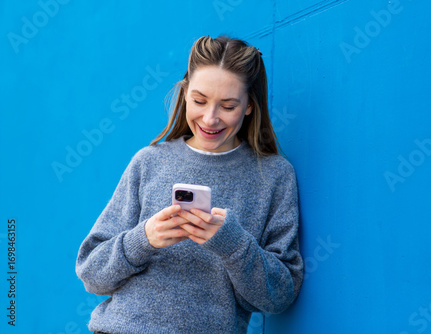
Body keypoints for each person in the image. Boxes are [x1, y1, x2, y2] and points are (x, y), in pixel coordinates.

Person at [76, 35, 303, 334]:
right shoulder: (149, 161)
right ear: (184, 94)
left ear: (249, 106)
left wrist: (232, 243)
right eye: (199, 100)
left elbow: (279, 296)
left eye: (228, 105)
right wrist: (143, 239)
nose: (210, 118)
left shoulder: (274, 176)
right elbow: (91, 273)